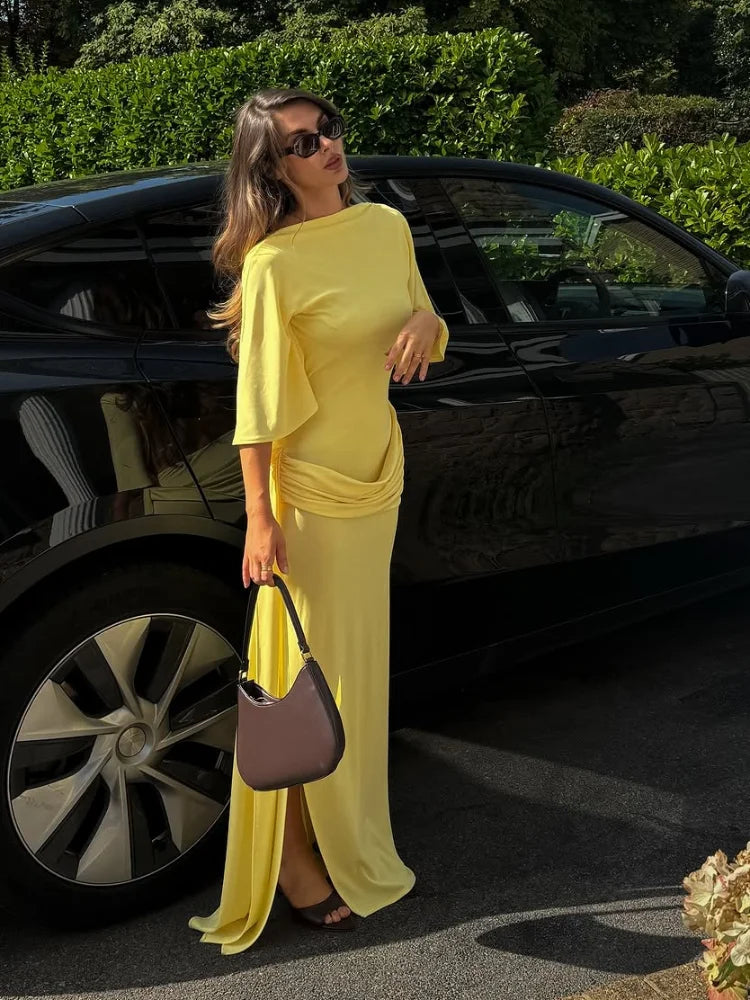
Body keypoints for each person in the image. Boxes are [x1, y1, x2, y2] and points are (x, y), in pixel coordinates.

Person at [188, 87, 449, 954]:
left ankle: (343, 836)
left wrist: (424, 319)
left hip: (378, 479)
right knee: (308, 685)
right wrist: (260, 520)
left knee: (354, 679)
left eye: (327, 129)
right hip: (311, 501)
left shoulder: (385, 226)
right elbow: (258, 407)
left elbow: (426, 316)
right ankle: (294, 860)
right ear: (272, 169)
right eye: (302, 143)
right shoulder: (275, 265)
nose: (326, 146)